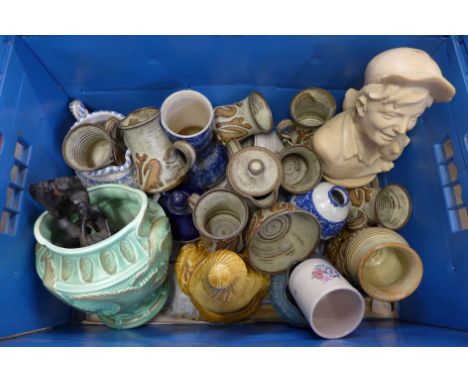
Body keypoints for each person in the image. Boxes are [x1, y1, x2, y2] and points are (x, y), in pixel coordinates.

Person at [312, 47, 456, 188]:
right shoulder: (328, 147)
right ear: (362, 105)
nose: (402, 129)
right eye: (390, 115)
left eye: (414, 116)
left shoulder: (391, 136)